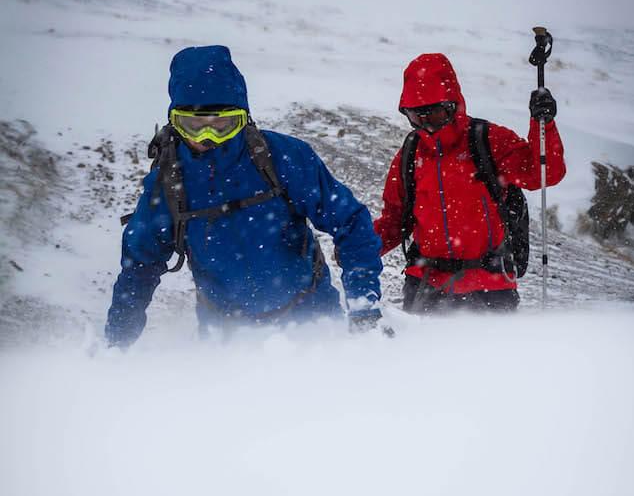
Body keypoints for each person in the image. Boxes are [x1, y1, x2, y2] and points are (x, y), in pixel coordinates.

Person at [105, 45, 383, 345]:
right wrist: (115, 346)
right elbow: (139, 269)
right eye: (193, 125)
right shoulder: (169, 182)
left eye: (223, 125)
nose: (207, 138)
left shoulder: (284, 158)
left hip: (311, 321)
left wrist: (364, 307)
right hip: (227, 338)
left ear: (244, 117)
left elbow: (351, 222)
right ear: (175, 121)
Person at [374, 52, 566, 312]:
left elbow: (543, 173)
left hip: (489, 290)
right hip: (425, 289)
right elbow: (394, 220)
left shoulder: (488, 141)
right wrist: (358, 249)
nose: (427, 125)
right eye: (417, 117)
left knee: (492, 354)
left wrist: (543, 124)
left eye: (436, 114)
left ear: (453, 105)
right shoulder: (411, 152)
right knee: (420, 355)